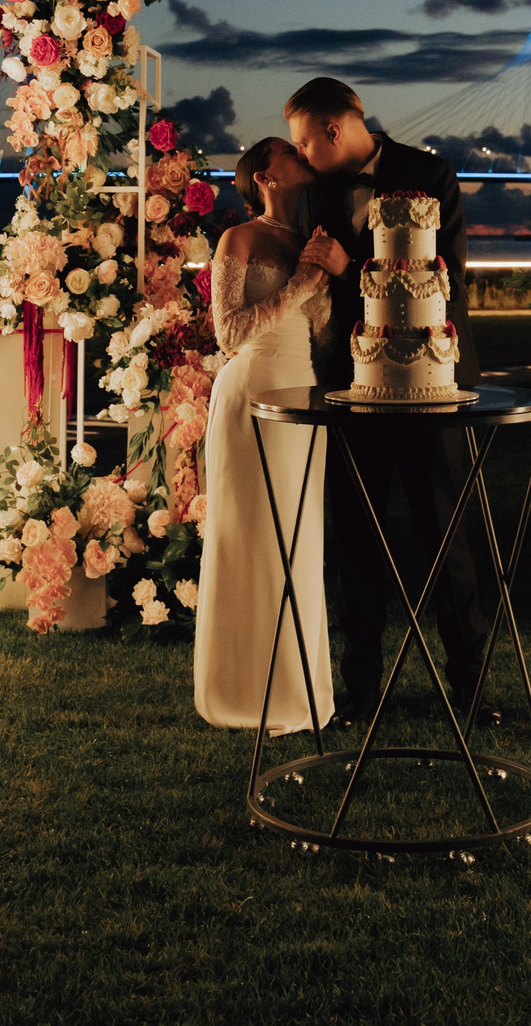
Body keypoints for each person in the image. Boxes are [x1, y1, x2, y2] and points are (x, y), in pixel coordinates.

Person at [285, 76, 500, 729]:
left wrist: (351, 268)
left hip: (431, 386)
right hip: (351, 386)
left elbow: (446, 278)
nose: (298, 153)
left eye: (302, 139)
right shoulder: (309, 191)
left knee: (449, 537)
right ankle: (361, 691)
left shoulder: (429, 173)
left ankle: (470, 688)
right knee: (356, 540)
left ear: (334, 128)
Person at [193, 136, 350, 733]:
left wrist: (328, 277)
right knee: (252, 536)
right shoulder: (239, 239)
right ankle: (241, 688)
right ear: (265, 175)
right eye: (290, 150)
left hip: (303, 390)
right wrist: (303, 284)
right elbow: (230, 333)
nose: (302, 153)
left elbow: (325, 333)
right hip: (252, 390)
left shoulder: (311, 240)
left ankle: (297, 688)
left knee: (299, 537)